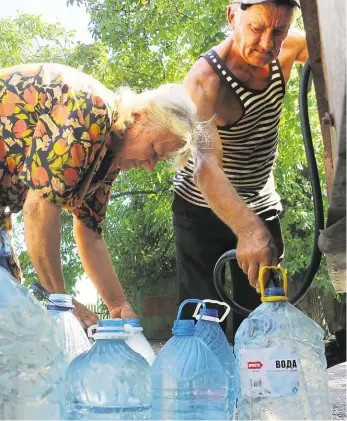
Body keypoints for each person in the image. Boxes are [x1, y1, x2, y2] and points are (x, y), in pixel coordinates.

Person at [0, 62, 198, 328]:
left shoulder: (108, 158)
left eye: (159, 160)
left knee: (10, 314)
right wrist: (62, 301)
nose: (150, 166)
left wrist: (118, 304)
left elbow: (90, 232)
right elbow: (39, 208)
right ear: (138, 116)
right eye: (153, 151)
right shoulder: (91, 111)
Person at [173, 0, 308, 332]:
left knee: (267, 315)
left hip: (258, 200)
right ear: (233, 16)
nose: (267, 44)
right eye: (257, 29)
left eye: (278, 30)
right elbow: (204, 166)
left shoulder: (290, 48)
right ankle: (208, 381)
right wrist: (248, 229)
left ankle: (263, 382)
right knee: (204, 321)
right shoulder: (206, 80)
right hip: (201, 208)